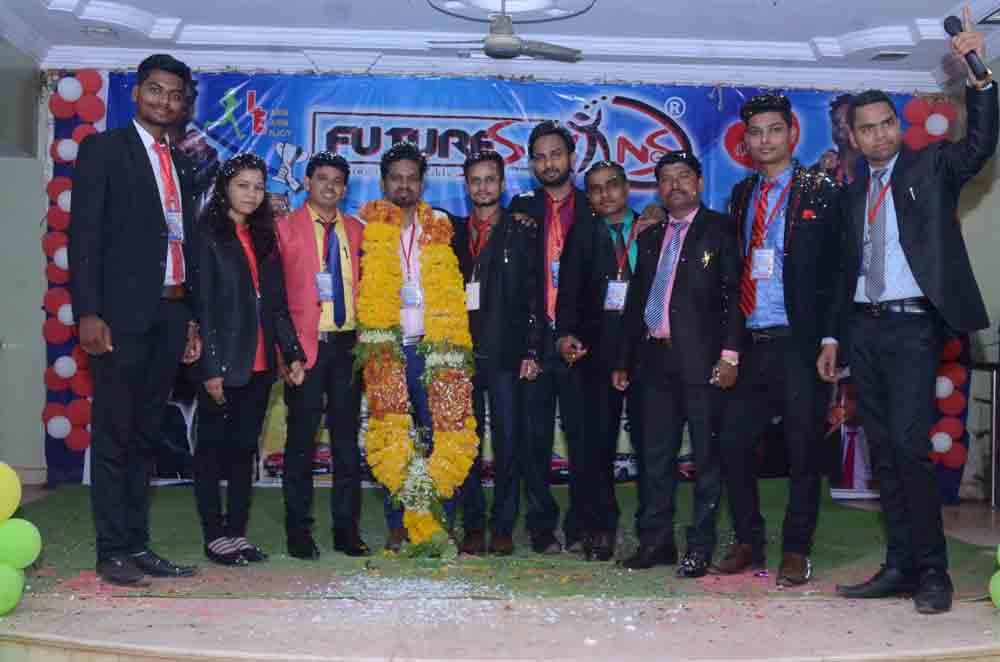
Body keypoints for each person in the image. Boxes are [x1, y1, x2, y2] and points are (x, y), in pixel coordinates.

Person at [818, 6, 998, 614]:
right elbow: (841, 273)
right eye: (866, 129)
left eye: (885, 124)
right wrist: (832, 338)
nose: (878, 135)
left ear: (898, 125)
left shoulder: (931, 165)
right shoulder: (850, 194)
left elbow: (980, 145)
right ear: (852, 136)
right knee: (883, 452)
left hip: (913, 326)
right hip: (862, 330)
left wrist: (979, 76)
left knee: (909, 446)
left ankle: (933, 572)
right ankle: (899, 566)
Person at [69, 53, 202, 585]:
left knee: (147, 437)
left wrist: (190, 319)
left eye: (175, 94)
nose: (164, 101)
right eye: (155, 90)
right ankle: (112, 551)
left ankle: (137, 544)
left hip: (171, 313)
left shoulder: (183, 163)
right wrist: (88, 312)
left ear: (184, 103)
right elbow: (84, 235)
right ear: (137, 93)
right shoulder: (104, 149)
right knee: (115, 436)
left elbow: (186, 244)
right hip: (119, 318)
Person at [713, 93, 840, 587]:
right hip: (749, 341)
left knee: (803, 450)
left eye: (774, 130)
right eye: (756, 132)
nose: (765, 140)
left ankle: (796, 548)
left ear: (792, 134)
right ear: (745, 142)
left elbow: (838, 271)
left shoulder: (821, 191)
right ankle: (748, 539)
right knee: (733, 443)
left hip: (798, 342)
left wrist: (830, 337)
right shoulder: (741, 193)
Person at [612, 151, 742, 576]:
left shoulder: (721, 229)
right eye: (666, 179)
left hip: (704, 362)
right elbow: (636, 302)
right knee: (654, 457)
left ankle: (699, 546)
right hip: (653, 361)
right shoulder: (650, 237)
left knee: (706, 459)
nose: (675, 186)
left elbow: (734, 297)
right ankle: (657, 541)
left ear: (699, 183)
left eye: (683, 177)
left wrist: (730, 355)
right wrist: (624, 359)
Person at [194, 153, 306, 565]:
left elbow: (276, 305)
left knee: (244, 452)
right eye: (243, 185)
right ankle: (214, 534)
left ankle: (236, 533)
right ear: (225, 188)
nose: (252, 194)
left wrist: (291, 353)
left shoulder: (264, 238)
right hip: (222, 364)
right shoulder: (207, 236)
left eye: (259, 186)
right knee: (211, 453)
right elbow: (203, 308)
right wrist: (209, 369)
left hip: (259, 366)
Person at [275, 152, 369, 559]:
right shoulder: (284, 229)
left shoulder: (358, 230)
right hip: (305, 351)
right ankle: (299, 532)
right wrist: (287, 353)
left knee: (347, 445)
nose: (330, 186)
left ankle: (347, 531)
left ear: (345, 189)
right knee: (301, 444)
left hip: (349, 348)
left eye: (337, 181)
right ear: (307, 182)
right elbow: (276, 301)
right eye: (322, 178)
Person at [371, 142, 461, 551]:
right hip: (388, 350)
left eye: (411, 178)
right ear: (383, 183)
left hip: (436, 350)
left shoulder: (441, 223)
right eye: (396, 178)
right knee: (394, 440)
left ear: (422, 183)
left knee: (445, 437)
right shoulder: (367, 227)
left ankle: (442, 522)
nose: (404, 185)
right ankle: (398, 523)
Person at [508, 120, 592, 554]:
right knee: (533, 440)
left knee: (583, 440)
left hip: (580, 341)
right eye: (540, 157)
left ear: (572, 158)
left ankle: (581, 525)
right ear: (532, 164)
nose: (548, 163)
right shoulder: (521, 209)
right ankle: (541, 526)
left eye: (556, 154)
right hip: (534, 343)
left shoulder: (593, 205)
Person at [452, 151, 541, 556]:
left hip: (507, 354)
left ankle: (503, 525)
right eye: (476, 180)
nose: (483, 187)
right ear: (466, 186)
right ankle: (473, 524)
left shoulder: (520, 230)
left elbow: (534, 293)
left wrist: (532, 348)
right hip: (461, 354)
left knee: (508, 443)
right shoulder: (453, 233)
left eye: (490, 179)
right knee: (465, 443)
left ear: (502, 185)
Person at [555, 160, 644, 561]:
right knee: (595, 448)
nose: (605, 194)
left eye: (612, 185)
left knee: (651, 447)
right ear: (587, 196)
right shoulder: (582, 233)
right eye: (595, 188)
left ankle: (652, 529)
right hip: (596, 354)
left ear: (627, 188)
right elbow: (568, 293)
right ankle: (600, 527)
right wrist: (565, 334)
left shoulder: (653, 228)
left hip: (646, 353)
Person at [827, 94, 860, 185]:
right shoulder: (824, 169)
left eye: (848, 121)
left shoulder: (875, 169)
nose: (840, 126)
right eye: (836, 122)